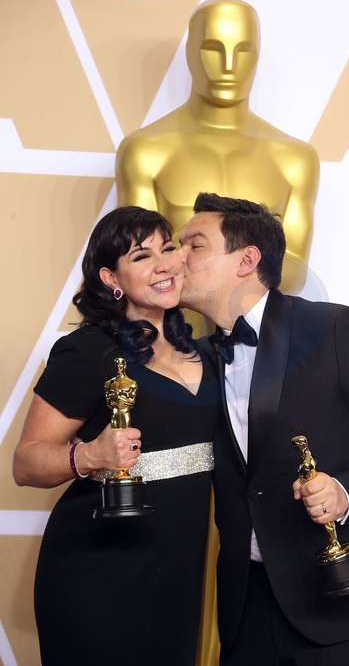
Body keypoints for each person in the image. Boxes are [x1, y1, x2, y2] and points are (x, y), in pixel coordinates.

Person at [179, 192, 349, 666]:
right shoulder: (196, 359)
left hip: (341, 596)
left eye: (194, 246)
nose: (178, 258)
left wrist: (344, 490)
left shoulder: (333, 327)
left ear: (246, 260)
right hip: (246, 604)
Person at [12, 206, 219, 666]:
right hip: (98, 574)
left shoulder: (209, 352)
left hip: (178, 575)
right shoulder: (87, 352)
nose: (164, 265)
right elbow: (25, 463)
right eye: (142, 257)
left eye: (168, 249)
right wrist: (89, 455)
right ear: (111, 278)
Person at [115, 0, 320, 302]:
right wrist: (236, 267)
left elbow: (294, 270)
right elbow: (139, 263)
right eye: (213, 49)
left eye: (243, 51)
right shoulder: (145, 151)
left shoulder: (295, 159)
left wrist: (209, 274)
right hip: (171, 327)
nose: (228, 66)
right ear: (190, 53)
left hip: (256, 329)